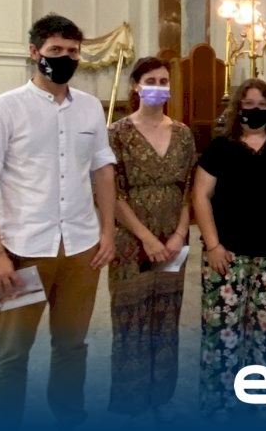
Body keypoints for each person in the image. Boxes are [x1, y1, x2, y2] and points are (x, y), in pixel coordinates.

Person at [0, 14, 117, 428]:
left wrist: (107, 232)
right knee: (12, 352)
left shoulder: (90, 108)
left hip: (81, 249)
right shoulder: (3, 109)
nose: (65, 57)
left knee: (72, 346)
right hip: (21, 250)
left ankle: (69, 416)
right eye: (55, 50)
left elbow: (103, 172)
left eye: (72, 51)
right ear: (34, 53)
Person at [191, 78, 266, 417]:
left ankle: (262, 403)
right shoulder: (220, 148)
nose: (254, 110)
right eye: (248, 105)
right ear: (237, 109)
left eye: (261, 105)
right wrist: (212, 244)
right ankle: (220, 406)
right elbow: (201, 195)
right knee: (222, 331)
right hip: (227, 254)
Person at [106, 57, 196, 420]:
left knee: (166, 315)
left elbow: (189, 189)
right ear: (136, 86)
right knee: (131, 316)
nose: (159, 86)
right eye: (151, 80)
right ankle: (131, 402)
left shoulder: (184, 134)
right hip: (131, 240)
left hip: (174, 239)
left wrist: (179, 234)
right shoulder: (117, 133)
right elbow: (112, 193)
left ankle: (162, 396)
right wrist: (146, 238)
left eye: (164, 81)